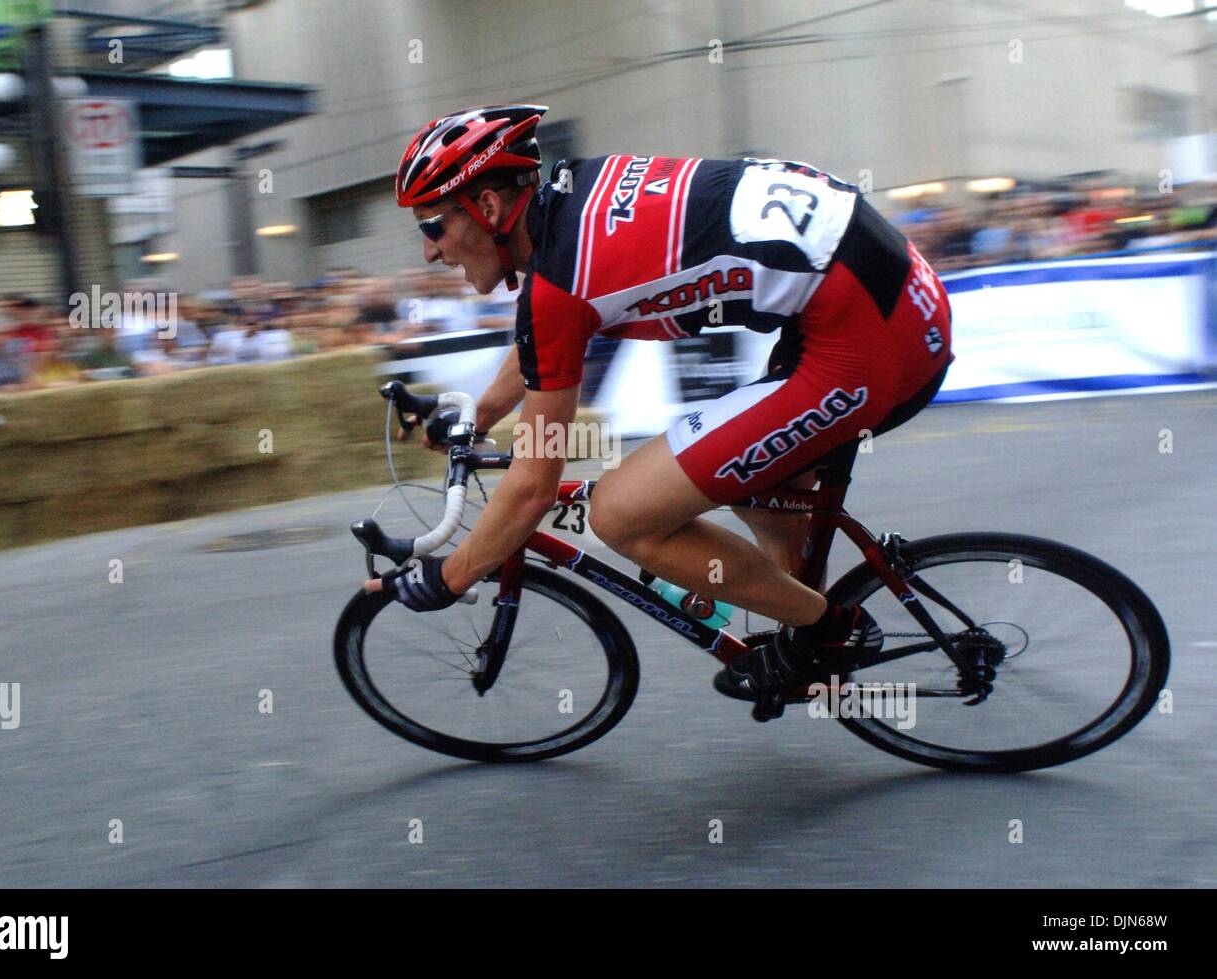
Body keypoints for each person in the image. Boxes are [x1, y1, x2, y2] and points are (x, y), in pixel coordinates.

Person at [366, 104, 954, 721]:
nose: (430, 252)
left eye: (431, 225)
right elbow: (546, 340)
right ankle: (804, 624)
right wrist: (477, 418)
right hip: (882, 303)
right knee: (750, 484)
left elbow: (533, 487)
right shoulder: (571, 198)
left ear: (487, 208)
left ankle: (832, 630)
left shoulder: (559, 283)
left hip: (871, 344)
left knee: (621, 514)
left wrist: (449, 578)